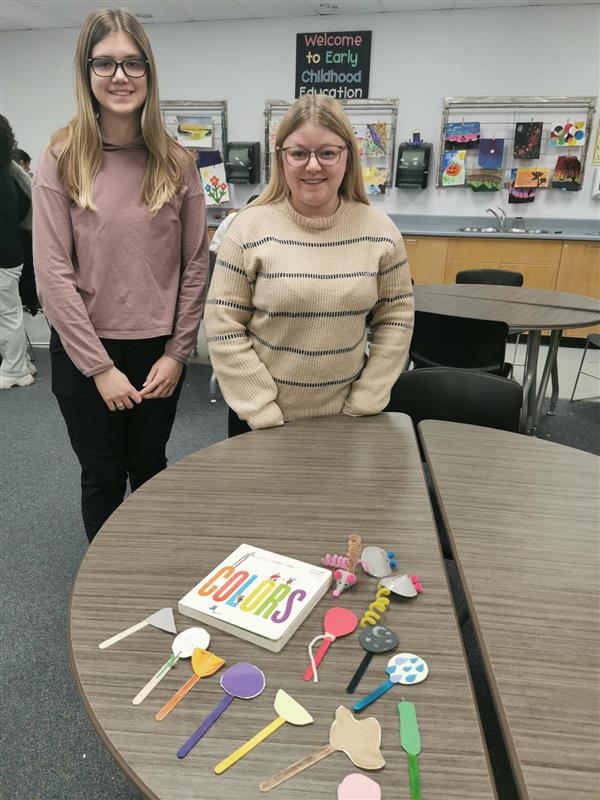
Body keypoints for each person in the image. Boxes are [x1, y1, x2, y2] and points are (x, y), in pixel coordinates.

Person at [32, 9, 209, 542]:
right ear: (86, 73)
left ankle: (148, 569)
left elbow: (195, 263)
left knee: (149, 465)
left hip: (158, 350)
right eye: (104, 63)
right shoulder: (61, 156)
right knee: (103, 474)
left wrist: (178, 353)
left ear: (149, 73)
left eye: (133, 63)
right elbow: (53, 272)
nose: (120, 76)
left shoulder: (177, 161)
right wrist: (99, 368)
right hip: (87, 352)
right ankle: (106, 587)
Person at [204, 95, 414, 437]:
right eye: (299, 153)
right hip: (260, 422)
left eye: (327, 153)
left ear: (348, 155)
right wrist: (260, 408)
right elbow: (223, 323)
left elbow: (396, 318)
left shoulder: (381, 232)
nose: (312, 166)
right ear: (281, 158)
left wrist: (367, 398)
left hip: (349, 419)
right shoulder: (247, 229)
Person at [0, 115, 36, 390]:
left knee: (7, 315)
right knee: (9, 314)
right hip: (12, 252)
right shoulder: (9, 170)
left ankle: (16, 370)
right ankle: (20, 362)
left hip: (4, 256)